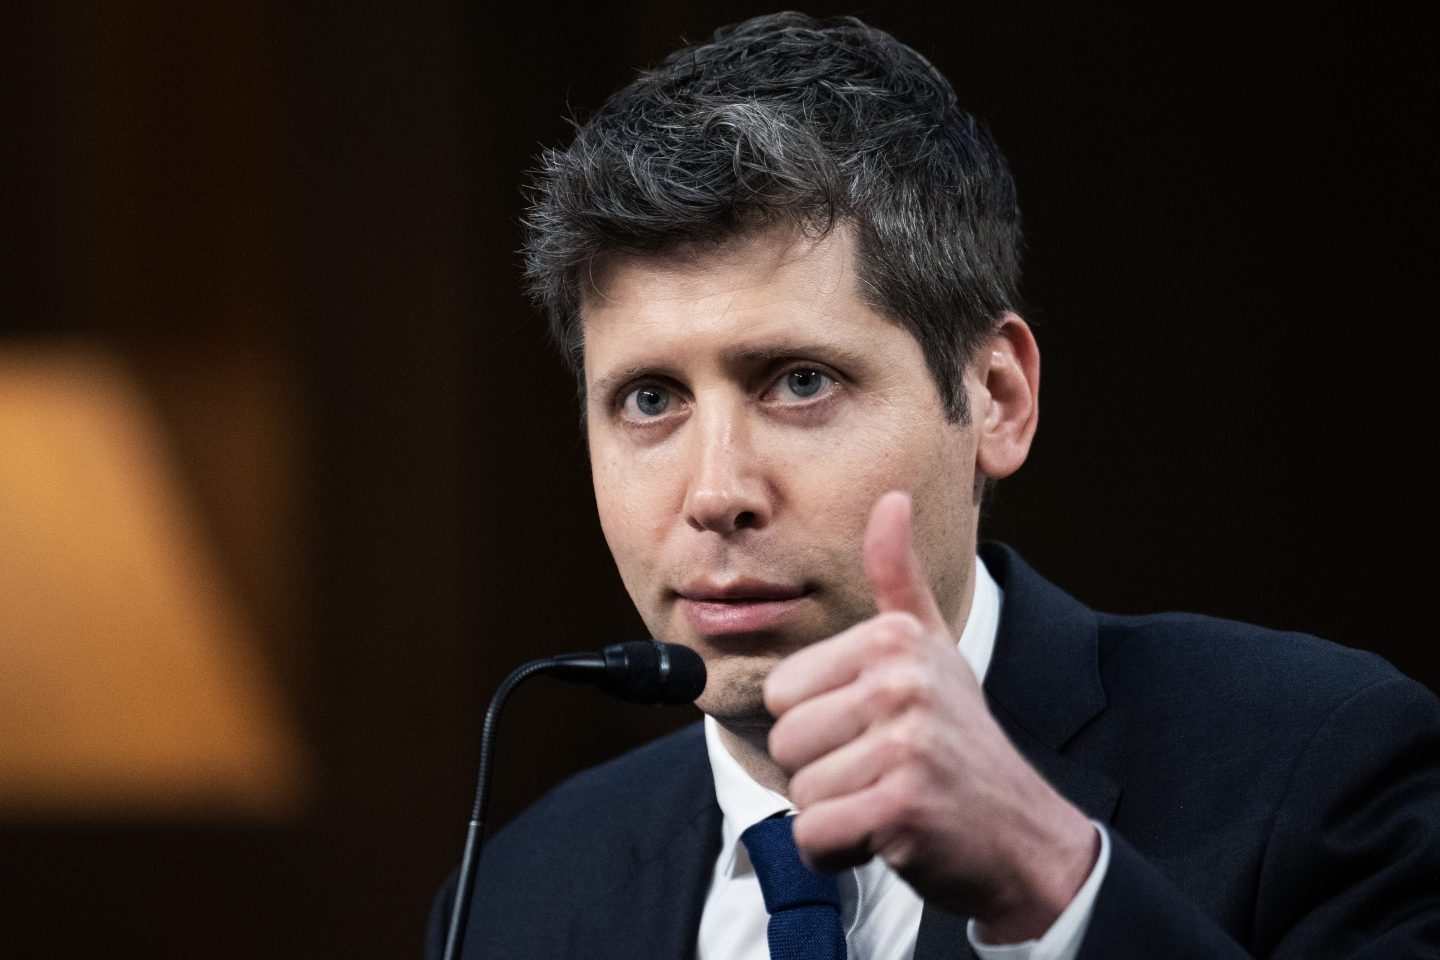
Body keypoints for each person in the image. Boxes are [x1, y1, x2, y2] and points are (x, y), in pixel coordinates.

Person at [428, 12, 1440, 959]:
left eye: (800, 382)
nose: (716, 492)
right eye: (649, 400)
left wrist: (1053, 884)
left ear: (996, 398)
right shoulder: (516, 895)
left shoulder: (1320, 765)